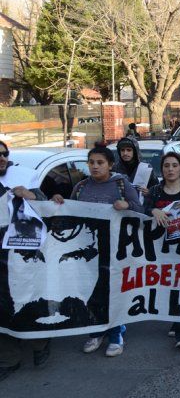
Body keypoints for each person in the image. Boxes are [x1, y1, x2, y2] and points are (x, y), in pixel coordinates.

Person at [52, 144, 143, 357]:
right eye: (91, 162)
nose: (95, 166)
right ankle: (95, 331)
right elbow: (70, 213)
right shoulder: (81, 187)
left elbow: (140, 211)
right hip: (88, 253)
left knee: (113, 293)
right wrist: (58, 203)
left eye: (100, 163)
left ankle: (115, 334)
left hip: (116, 250)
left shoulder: (121, 184)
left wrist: (127, 205)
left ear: (110, 165)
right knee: (90, 292)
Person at [0, 141, 51, 381]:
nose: (1, 158)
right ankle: (9, 359)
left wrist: (28, 195)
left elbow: (47, 208)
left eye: (4, 154)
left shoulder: (23, 179)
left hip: (24, 258)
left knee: (28, 302)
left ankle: (40, 344)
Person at [143, 152, 180, 350]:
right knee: (168, 287)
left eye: (174, 165)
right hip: (160, 250)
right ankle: (174, 320)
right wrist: (153, 211)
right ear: (162, 170)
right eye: (166, 166)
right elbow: (141, 213)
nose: (170, 169)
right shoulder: (154, 192)